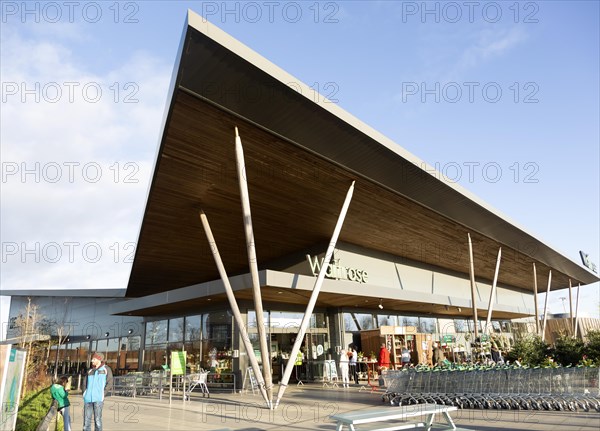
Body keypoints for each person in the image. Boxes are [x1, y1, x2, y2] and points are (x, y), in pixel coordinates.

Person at [82, 352, 113, 431]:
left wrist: (103, 394)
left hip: (98, 399)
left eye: (94, 359)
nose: (92, 360)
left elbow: (109, 383)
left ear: (99, 359)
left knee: (98, 421)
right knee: (86, 422)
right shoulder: (90, 370)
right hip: (88, 399)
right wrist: (84, 393)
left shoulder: (106, 369)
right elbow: (84, 383)